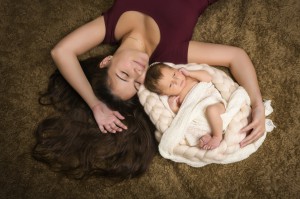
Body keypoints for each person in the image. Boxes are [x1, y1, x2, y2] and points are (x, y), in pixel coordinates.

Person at [34, 0, 266, 178]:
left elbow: (61, 52)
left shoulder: (111, 23)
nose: (136, 71)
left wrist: (95, 104)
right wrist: (256, 105)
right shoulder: (171, 54)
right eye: (137, 83)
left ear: (107, 61)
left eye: (123, 74)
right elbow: (236, 56)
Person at [144, 63, 226, 150]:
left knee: (211, 110)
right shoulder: (176, 99)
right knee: (188, 127)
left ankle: (217, 136)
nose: (176, 80)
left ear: (175, 69)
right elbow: (184, 114)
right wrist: (175, 109)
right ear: (165, 93)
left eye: (174, 74)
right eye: (171, 85)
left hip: (214, 105)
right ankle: (206, 135)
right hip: (200, 119)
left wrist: (190, 73)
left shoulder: (190, 77)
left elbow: (208, 77)